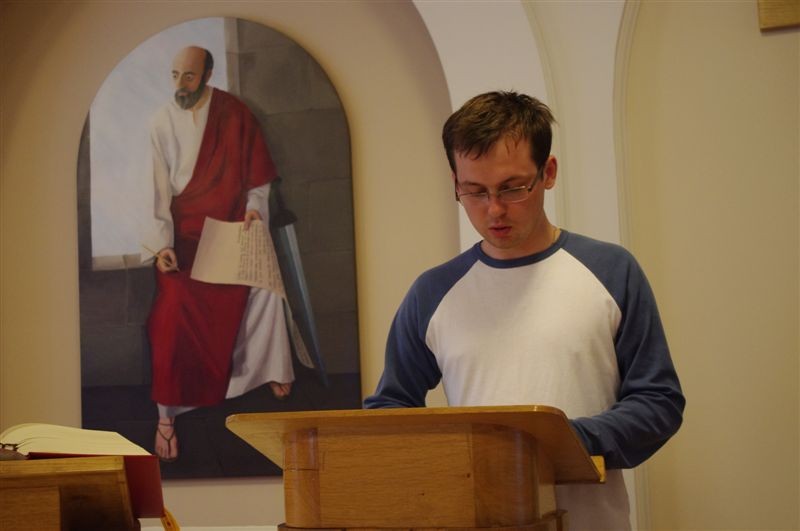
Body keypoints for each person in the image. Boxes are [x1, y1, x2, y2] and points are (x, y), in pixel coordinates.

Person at [364, 91, 685, 529]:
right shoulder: (432, 291)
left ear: (547, 173)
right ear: (455, 182)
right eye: (474, 191)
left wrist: (564, 442)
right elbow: (389, 410)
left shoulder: (612, 270)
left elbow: (658, 401)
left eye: (512, 188)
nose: (494, 209)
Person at [142, 46, 294, 462]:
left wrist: (254, 208)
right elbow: (156, 192)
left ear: (208, 75)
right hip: (185, 240)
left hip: (231, 229)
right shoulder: (159, 122)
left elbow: (258, 178)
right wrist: (163, 245)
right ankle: (167, 417)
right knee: (172, 310)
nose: (180, 85)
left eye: (189, 76)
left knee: (266, 289)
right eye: (175, 75)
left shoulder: (234, 113)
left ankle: (269, 370)